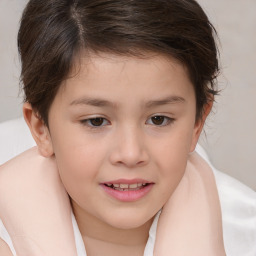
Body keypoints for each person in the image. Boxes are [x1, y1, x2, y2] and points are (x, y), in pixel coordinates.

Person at [0, 0, 255, 255]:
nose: (131, 154)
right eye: (96, 121)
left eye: (158, 119)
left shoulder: (245, 230)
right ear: (40, 127)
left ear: (197, 122)